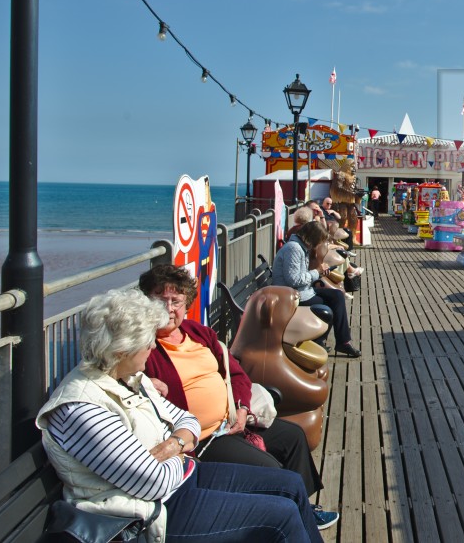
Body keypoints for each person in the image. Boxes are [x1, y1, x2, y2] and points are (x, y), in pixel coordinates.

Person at [36, 289, 324, 543]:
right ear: (122, 349)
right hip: (152, 512)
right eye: (147, 340)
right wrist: (181, 449)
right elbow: (153, 482)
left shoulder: (129, 377)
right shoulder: (82, 408)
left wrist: (171, 446)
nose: (152, 346)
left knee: (291, 485)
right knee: (281, 515)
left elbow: (188, 420)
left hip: (184, 478)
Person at [137, 265, 337, 531]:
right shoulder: (143, 346)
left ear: (187, 304)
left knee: (293, 437)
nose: (169, 309)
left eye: (176, 301)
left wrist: (242, 408)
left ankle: (303, 509)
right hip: (203, 438)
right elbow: (122, 380)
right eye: (160, 301)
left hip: (232, 417)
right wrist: (143, 383)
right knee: (269, 469)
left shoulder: (199, 334)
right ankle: (280, 522)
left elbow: (238, 375)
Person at [273, 219, 360, 357]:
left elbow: (299, 276)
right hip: (291, 296)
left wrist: (318, 272)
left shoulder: (300, 247)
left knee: (337, 295)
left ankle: (343, 342)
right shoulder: (293, 249)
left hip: (303, 291)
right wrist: (317, 272)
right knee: (329, 305)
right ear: (312, 238)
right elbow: (293, 280)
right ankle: (318, 341)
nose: (319, 245)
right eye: (319, 241)